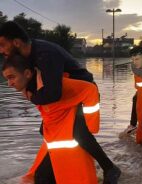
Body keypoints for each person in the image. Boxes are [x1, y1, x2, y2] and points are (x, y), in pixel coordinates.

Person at [0, 21, 121, 183]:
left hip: (81, 94)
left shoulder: (45, 53)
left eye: (2, 45)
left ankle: (109, 168)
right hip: (64, 97)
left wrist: (30, 96)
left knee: (78, 132)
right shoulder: (27, 55)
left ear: (16, 42)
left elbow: (53, 93)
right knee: (45, 130)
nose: (1, 50)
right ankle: (57, 170)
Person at [2, 55, 101, 183]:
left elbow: (90, 90)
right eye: (7, 79)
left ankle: (108, 167)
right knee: (42, 177)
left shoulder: (53, 84)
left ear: (27, 73)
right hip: (56, 132)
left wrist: (91, 126)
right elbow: (47, 107)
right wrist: (45, 124)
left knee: (44, 177)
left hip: (75, 120)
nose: (9, 84)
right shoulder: (27, 89)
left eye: (11, 77)